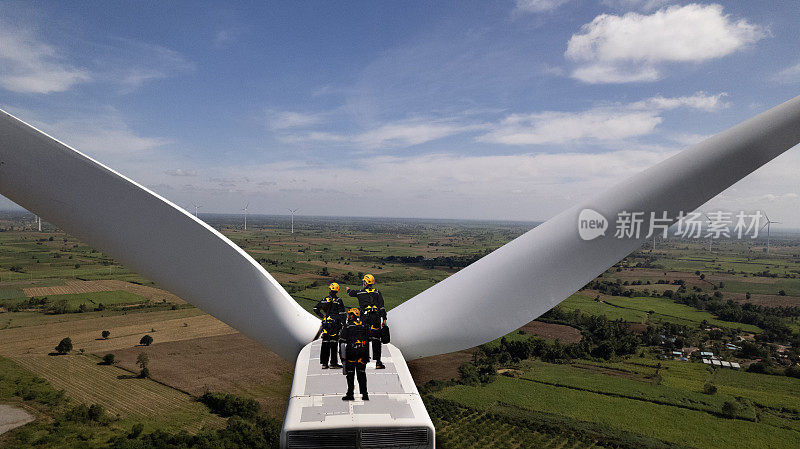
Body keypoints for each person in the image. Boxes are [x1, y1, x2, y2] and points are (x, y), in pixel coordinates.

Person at [346, 274, 387, 369]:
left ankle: (364, 359)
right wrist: (384, 319)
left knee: (364, 339)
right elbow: (382, 306)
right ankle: (378, 362)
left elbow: (351, 293)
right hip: (376, 318)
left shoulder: (360, 293)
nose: (363, 283)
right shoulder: (377, 292)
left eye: (364, 281)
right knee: (376, 339)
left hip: (365, 318)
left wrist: (348, 289)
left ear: (367, 282)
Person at [339, 307, 369, 401]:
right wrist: (366, 356)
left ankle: (350, 394)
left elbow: (342, 341)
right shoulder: (364, 326)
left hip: (351, 352)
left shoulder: (348, 326)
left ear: (353, 315)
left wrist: (341, 355)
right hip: (362, 351)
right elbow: (367, 341)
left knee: (350, 374)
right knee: (362, 373)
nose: (349, 316)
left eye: (350, 314)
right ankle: (365, 394)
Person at [314, 283, 344, 369]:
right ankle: (333, 363)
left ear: (330, 290)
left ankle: (324, 363)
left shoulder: (324, 299)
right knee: (334, 343)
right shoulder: (338, 300)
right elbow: (342, 313)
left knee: (325, 343)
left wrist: (322, 316)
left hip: (326, 324)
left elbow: (315, 309)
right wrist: (343, 324)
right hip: (335, 325)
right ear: (337, 290)